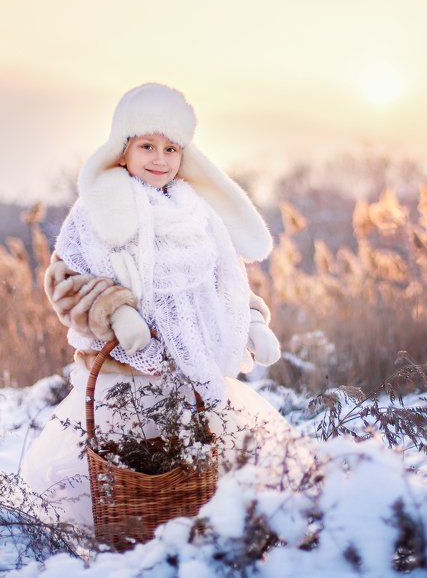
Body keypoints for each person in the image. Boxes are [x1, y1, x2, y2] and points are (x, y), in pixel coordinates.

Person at [20, 83, 305, 529]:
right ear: (123, 149)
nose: (159, 158)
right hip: (124, 381)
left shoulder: (198, 211)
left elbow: (217, 282)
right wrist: (114, 309)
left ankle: (202, 540)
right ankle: (128, 540)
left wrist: (252, 320)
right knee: (126, 473)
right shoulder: (98, 206)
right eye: (147, 145)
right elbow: (64, 280)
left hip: (191, 378)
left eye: (171, 148)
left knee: (207, 475)